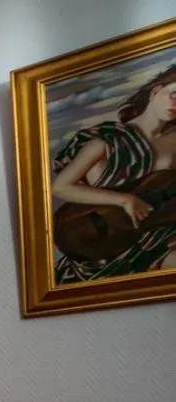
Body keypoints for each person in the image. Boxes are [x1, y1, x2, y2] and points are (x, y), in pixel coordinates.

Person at [50, 64, 176, 282]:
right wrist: (123, 199)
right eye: (175, 94)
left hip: (155, 237)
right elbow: (60, 187)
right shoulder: (108, 140)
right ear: (156, 90)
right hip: (103, 246)